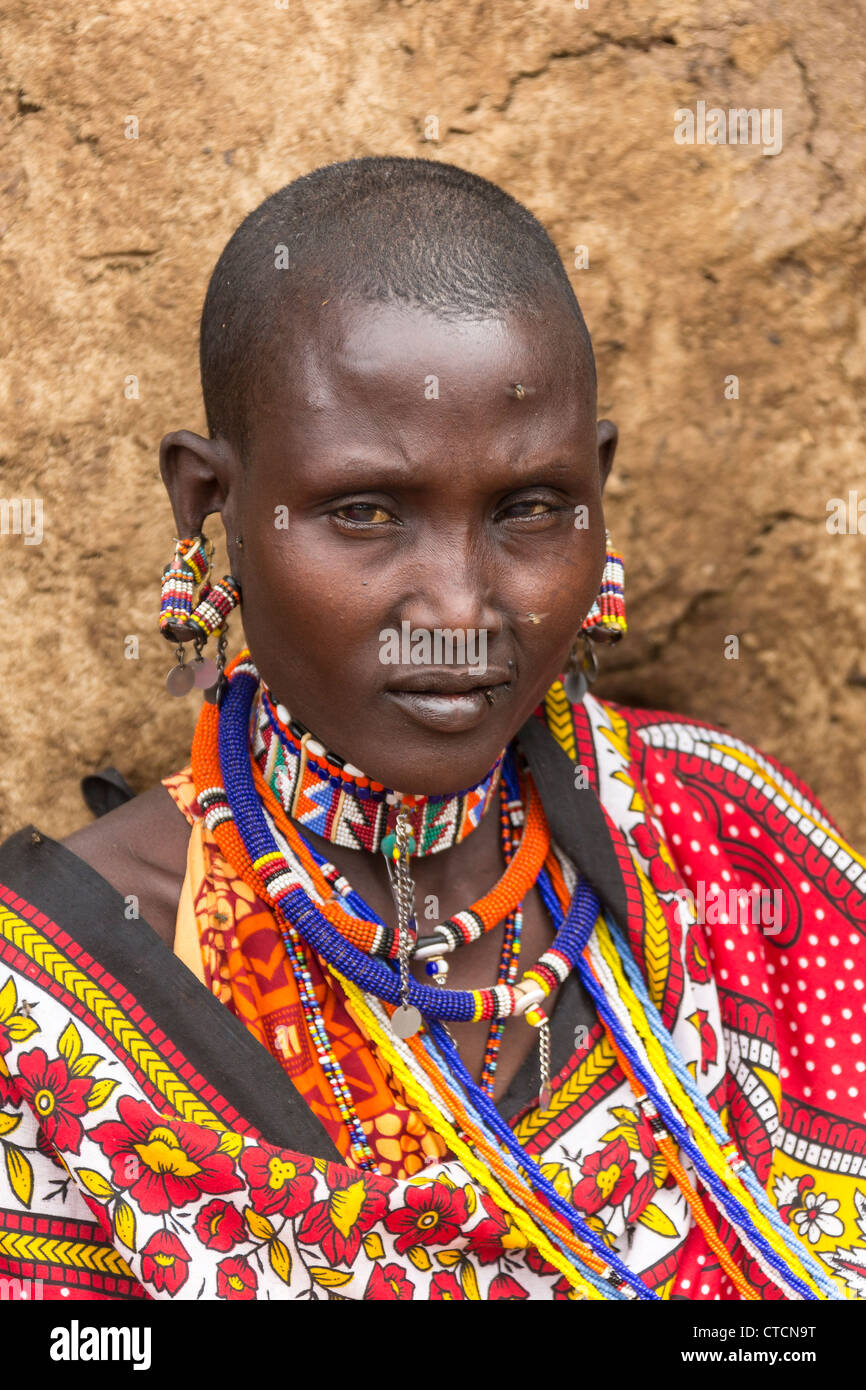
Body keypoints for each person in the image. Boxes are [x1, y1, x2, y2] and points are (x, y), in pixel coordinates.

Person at [0, 156, 863, 1303]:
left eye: (528, 509)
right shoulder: (49, 1024)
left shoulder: (725, 839)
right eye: (362, 511)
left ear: (596, 499)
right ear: (211, 506)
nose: (459, 610)